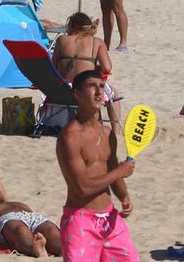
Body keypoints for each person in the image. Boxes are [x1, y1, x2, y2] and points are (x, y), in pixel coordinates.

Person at [56, 70, 138, 262]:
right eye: (92, 86)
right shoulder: (70, 136)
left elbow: (111, 169)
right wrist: (120, 170)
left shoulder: (107, 133)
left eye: (101, 86)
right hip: (81, 221)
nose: (99, 92)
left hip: (110, 219)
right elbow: (82, 188)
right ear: (77, 94)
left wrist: (123, 196)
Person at [52, 12, 121, 128]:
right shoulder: (96, 42)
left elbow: (53, 67)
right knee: (113, 94)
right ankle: (116, 131)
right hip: (86, 90)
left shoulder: (61, 40)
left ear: (74, 26)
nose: (67, 29)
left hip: (63, 90)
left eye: (68, 26)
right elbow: (107, 68)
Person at [0, 179, 61, 257]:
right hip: (6, 218)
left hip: (30, 216)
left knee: (51, 230)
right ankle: (33, 249)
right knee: (20, 230)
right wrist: (3, 203)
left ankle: (63, 248)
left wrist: (3, 203)